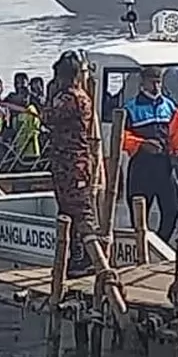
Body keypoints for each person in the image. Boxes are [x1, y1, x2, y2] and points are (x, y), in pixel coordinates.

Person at [121, 65, 178, 241]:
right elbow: (122, 138)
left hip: (164, 166)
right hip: (141, 167)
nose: (156, 86)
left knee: (173, 208)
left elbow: (177, 132)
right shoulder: (130, 108)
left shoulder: (169, 106)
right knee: (139, 212)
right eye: (152, 82)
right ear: (142, 83)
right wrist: (142, 144)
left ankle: (160, 244)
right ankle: (142, 249)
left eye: (159, 82)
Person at [46, 51, 97, 274]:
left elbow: (47, 117)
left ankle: (92, 258)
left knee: (80, 212)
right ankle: (76, 257)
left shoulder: (73, 98)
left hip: (73, 164)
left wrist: (50, 95)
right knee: (67, 211)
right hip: (64, 163)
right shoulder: (71, 96)